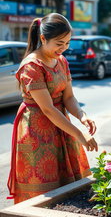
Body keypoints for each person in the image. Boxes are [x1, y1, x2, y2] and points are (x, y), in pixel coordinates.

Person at [7, 13, 98, 204]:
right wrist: (80, 135)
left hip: (61, 123)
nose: (63, 48)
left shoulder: (62, 61)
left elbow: (69, 97)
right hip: (37, 130)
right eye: (59, 43)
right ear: (43, 39)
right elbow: (48, 109)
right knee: (43, 191)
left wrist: (82, 117)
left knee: (69, 189)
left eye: (67, 43)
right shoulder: (31, 66)